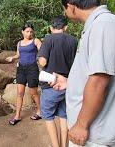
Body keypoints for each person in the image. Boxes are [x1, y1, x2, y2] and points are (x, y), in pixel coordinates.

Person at [51, 0, 115, 146]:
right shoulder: (97, 25)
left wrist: (81, 125)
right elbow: (93, 73)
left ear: (71, 6)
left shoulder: (103, 26)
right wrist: (69, 82)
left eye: (64, 9)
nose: (65, 13)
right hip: (92, 132)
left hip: (93, 135)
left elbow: (99, 81)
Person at [37, 15, 77, 147]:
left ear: (50, 28)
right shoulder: (73, 40)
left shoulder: (48, 39)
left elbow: (43, 62)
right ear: (65, 27)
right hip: (67, 84)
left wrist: (40, 50)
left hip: (51, 86)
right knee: (64, 117)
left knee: (48, 116)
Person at [6, 22, 42, 125]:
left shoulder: (35, 41)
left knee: (33, 93)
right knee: (20, 93)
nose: (29, 33)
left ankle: (39, 111)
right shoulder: (19, 43)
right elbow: (18, 54)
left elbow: (43, 51)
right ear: (22, 32)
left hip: (32, 69)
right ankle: (17, 116)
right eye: (27, 31)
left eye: (31, 31)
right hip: (21, 69)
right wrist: (12, 57)